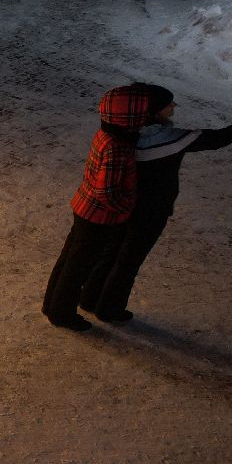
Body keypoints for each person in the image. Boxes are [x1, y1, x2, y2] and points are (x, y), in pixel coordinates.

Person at [82, 85, 232, 322]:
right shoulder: (170, 139)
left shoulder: (123, 132)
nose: (174, 106)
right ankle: (109, 309)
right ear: (153, 111)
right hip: (152, 209)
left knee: (112, 252)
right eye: (169, 103)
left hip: (122, 204)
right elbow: (220, 138)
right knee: (130, 260)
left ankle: (90, 298)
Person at [41, 83, 158, 331]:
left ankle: (52, 305)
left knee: (69, 260)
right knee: (78, 267)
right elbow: (108, 191)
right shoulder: (118, 147)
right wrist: (126, 207)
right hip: (98, 216)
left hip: (85, 206)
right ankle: (62, 313)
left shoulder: (108, 133)